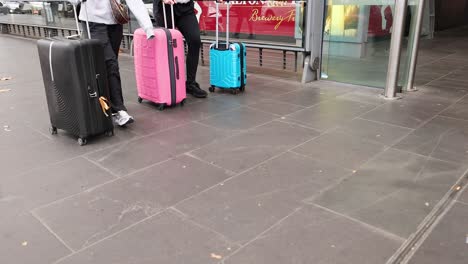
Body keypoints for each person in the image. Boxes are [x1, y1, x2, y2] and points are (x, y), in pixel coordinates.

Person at [70, 0, 154, 126]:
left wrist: (148, 27)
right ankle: (119, 110)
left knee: (108, 66)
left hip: (116, 20)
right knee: (110, 63)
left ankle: (104, 104)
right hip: (93, 22)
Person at [153, 0, 208, 98]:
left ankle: (190, 83)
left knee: (194, 41)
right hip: (165, 7)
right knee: (165, 44)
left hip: (185, 7)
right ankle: (165, 84)